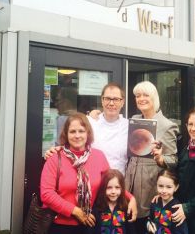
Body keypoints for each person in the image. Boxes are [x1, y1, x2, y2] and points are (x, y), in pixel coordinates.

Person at [44, 83, 137, 220]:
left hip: (116, 191)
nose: (111, 103)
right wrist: (56, 150)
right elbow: (72, 142)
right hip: (93, 192)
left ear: (122, 102)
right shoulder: (90, 122)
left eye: (116, 99)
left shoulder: (130, 127)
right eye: (107, 99)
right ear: (102, 100)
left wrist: (130, 197)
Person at [40, 112, 108, 233]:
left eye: (81, 131)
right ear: (66, 134)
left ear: (88, 133)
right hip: (60, 225)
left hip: (91, 224)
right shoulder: (55, 158)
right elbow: (46, 194)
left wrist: (131, 199)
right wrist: (76, 212)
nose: (77, 135)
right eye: (72, 131)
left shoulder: (99, 156)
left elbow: (111, 183)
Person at [125, 81, 179, 233]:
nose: (141, 98)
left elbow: (174, 160)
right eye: (137, 95)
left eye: (145, 95)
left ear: (154, 98)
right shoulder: (134, 119)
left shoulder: (167, 125)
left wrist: (161, 159)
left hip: (150, 188)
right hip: (130, 185)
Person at [92, 169, 136, 234]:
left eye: (117, 187)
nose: (113, 192)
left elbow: (131, 230)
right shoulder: (97, 208)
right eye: (109, 187)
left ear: (122, 188)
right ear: (103, 188)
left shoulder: (126, 208)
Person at [147, 169, 188, 234]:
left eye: (169, 187)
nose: (164, 191)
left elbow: (181, 231)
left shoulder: (177, 209)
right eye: (160, 186)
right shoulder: (155, 202)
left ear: (176, 187)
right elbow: (150, 219)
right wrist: (149, 226)